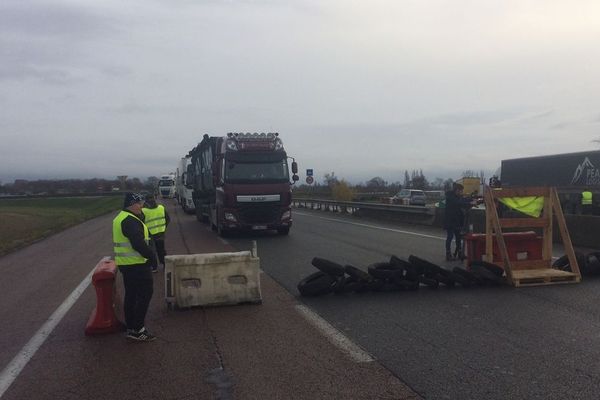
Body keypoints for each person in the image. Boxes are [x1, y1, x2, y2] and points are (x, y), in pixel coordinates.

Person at [113, 192, 157, 342]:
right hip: (137, 264)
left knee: (131, 295)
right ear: (131, 204)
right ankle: (138, 329)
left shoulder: (121, 217)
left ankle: (131, 326)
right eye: (139, 203)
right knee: (144, 294)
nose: (142, 206)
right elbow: (138, 243)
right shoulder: (130, 221)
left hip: (127, 265)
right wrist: (152, 257)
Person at [444, 183, 477, 261]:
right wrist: (470, 203)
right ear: (457, 190)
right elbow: (458, 203)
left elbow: (463, 200)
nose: (462, 193)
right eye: (461, 191)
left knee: (458, 237)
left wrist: (472, 200)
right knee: (450, 236)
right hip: (450, 220)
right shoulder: (450, 197)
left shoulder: (457, 197)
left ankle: (459, 253)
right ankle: (448, 254)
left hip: (457, 220)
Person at [142, 194, 170, 272]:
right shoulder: (161, 208)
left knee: (151, 251)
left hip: (149, 234)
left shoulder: (143, 211)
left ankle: (154, 267)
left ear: (146, 200)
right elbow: (168, 219)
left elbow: (140, 223)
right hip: (160, 233)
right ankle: (165, 265)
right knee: (161, 250)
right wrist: (163, 228)